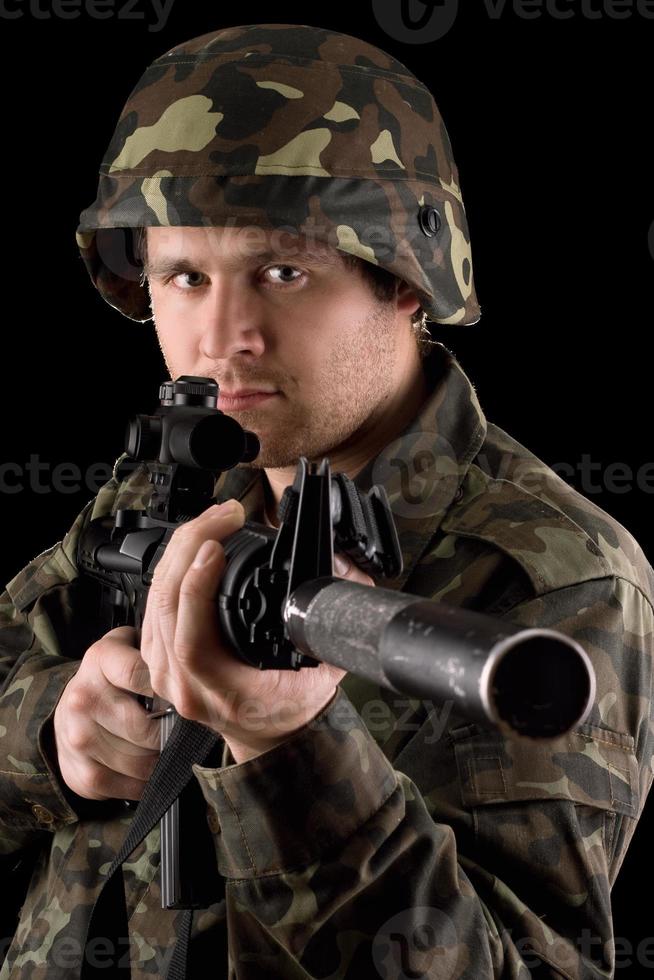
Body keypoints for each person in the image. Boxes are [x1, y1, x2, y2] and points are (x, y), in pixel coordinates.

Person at [1, 22, 652, 980]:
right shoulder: (170, 490)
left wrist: (292, 753)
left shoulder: (548, 579)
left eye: (282, 272)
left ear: (405, 282)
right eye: (185, 276)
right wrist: (55, 732)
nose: (222, 339)